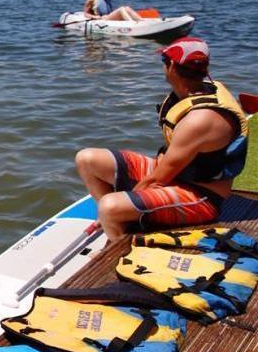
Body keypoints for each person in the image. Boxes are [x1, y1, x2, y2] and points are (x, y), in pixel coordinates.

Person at [75, 37, 248, 241]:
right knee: (86, 159)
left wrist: (121, 203)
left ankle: (119, 245)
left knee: (109, 206)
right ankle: (119, 225)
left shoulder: (200, 119)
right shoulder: (199, 91)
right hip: (176, 173)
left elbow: (158, 180)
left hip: (201, 196)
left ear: (172, 66)